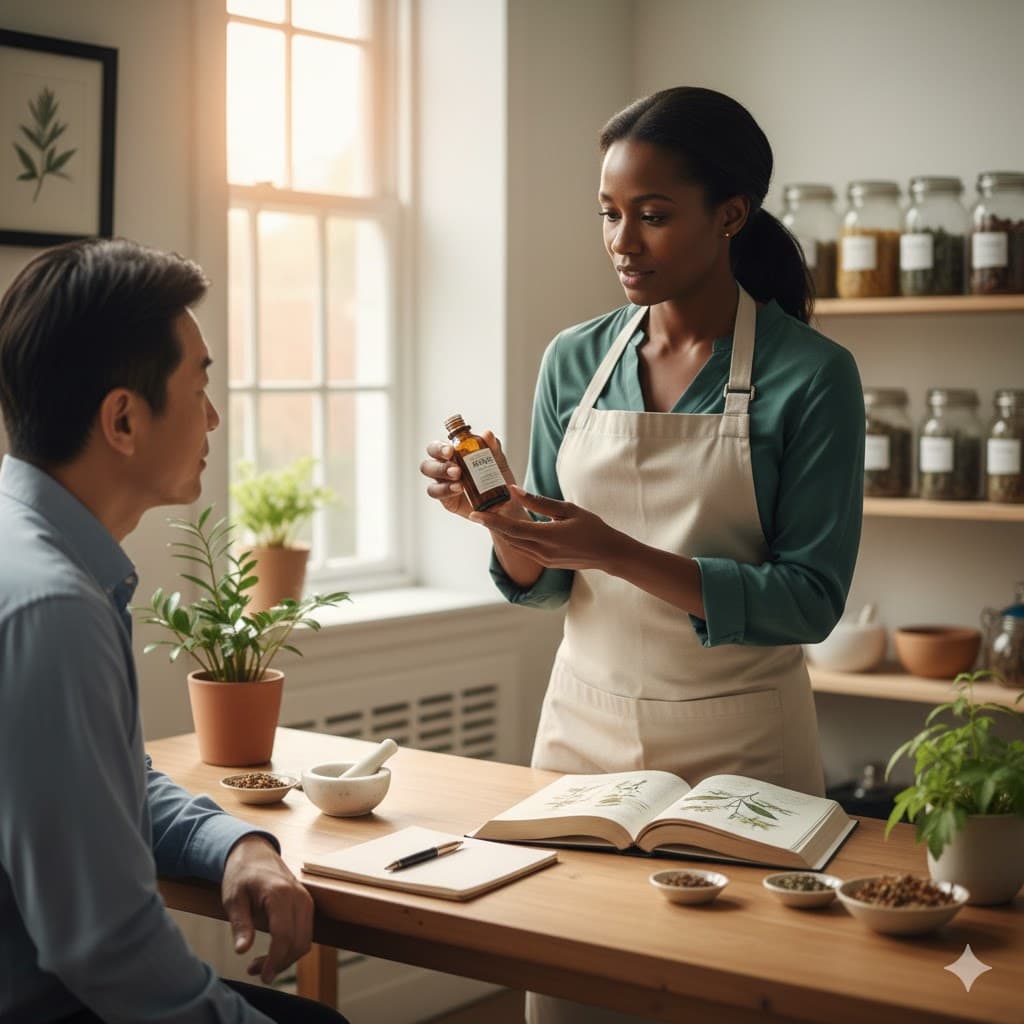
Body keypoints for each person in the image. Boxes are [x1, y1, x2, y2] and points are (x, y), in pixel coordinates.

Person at [420, 87, 864, 1023]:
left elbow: (810, 599)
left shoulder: (812, 376)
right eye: (610, 214)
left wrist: (617, 550)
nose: (623, 240)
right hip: (584, 736)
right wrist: (499, 520)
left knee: (733, 995)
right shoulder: (573, 360)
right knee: (573, 996)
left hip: (744, 749)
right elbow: (548, 584)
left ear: (731, 215)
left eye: (653, 216)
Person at [0, 238, 349, 1024]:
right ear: (123, 418)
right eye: (200, 385)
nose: (215, 416)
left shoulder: (29, 552)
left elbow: (98, 782)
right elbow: (103, 947)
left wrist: (231, 843)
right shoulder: (52, 607)